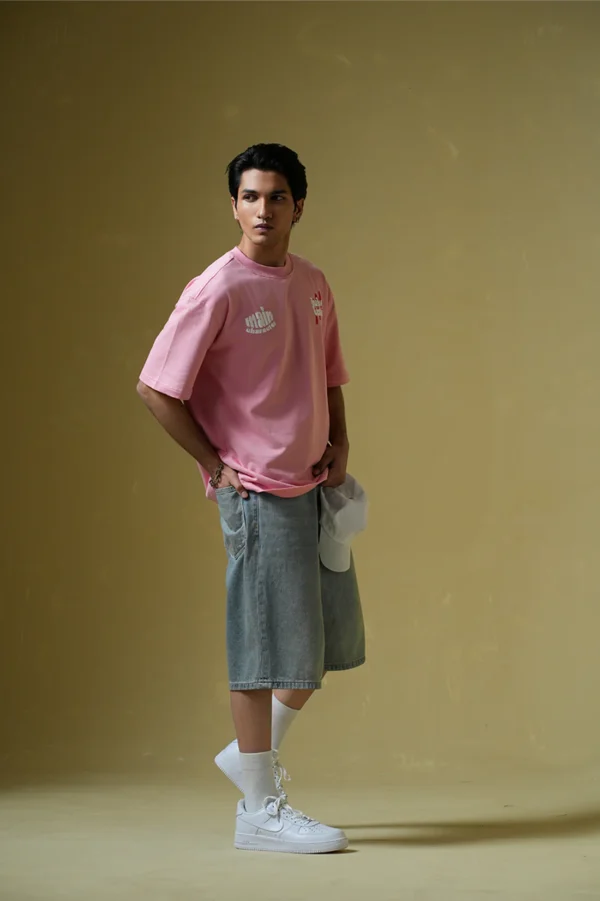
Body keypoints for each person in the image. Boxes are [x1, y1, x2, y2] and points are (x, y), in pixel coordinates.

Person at [137, 143, 366, 854]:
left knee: (320, 648)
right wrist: (214, 464)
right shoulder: (217, 288)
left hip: (314, 488)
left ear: (299, 206)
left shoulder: (313, 283)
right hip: (258, 493)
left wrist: (341, 442)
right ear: (234, 205)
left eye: (276, 197)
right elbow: (156, 388)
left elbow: (329, 373)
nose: (263, 209)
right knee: (264, 652)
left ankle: (247, 759)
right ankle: (259, 809)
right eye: (249, 196)